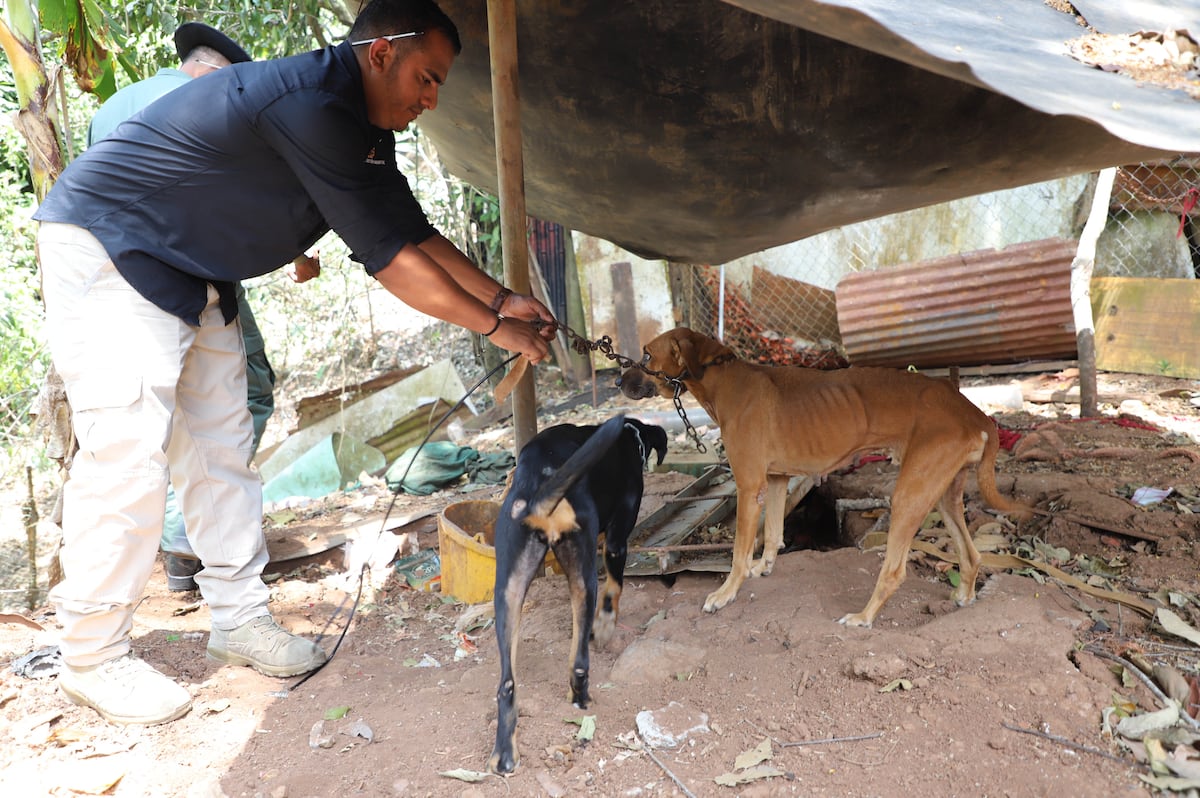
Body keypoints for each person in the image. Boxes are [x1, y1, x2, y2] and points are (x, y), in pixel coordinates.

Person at [34, 0, 555, 727]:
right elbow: (392, 263)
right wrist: (497, 327)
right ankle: (92, 656)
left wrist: (502, 297)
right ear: (381, 54)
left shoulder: (363, 129)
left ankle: (238, 619)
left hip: (194, 266)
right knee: (126, 452)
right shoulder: (309, 102)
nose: (432, 99)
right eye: (428, 78)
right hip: (111, 243)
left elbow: (413, 231)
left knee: (222, 446)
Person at [86, 22, 323, 593]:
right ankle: (189, 538)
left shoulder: (112, 108)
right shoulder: (205, 99)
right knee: (246, 391)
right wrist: (294, 246)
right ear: (216, 72)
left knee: (148, 421)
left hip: (107, 276)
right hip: (186, 275)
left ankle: (177, 552)